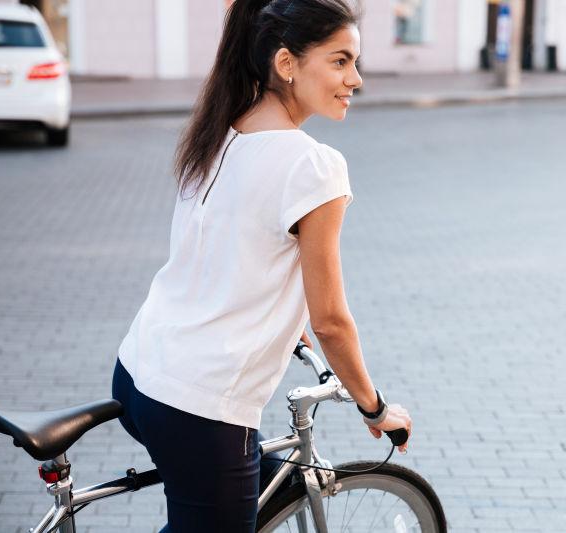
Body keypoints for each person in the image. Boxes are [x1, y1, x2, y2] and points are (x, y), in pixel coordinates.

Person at [110, 0, 413, 531]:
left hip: (138, 374)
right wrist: (374, 408)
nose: (356, 79)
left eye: (356, 62)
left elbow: (229, 255)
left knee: (235, 500)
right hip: (202, 407)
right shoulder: (313, 166)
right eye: (340, 61)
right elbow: (333, 322)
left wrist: (285, 324)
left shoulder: (221, 131)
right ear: (287, 63)